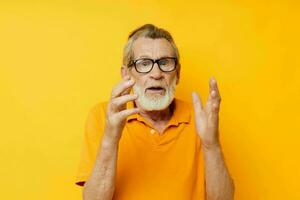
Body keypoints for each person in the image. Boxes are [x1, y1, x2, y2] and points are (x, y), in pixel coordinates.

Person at [75, 24, 235, 200]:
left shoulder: (200, 119)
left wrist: (211, 144)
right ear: (126, 74)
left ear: (178, 73)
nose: (156, 73)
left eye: (165, 62)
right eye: (144, 63)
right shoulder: (102, 116)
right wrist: (111, 137)